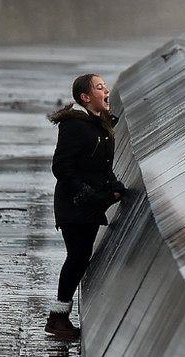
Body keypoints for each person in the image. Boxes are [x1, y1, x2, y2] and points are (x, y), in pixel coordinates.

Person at [43, 74, 127, 341]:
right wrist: (84, 192)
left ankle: (60, 316)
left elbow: (103, 165)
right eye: (100, 87)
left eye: (105, 86)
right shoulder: (75, 126)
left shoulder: (99, 124)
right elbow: (61, 167)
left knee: (80, 257)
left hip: (89, 204)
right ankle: (57, 318)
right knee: (77, 257)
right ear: (85, 97)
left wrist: (114, 186)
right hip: (74, 205)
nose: (107, 90)